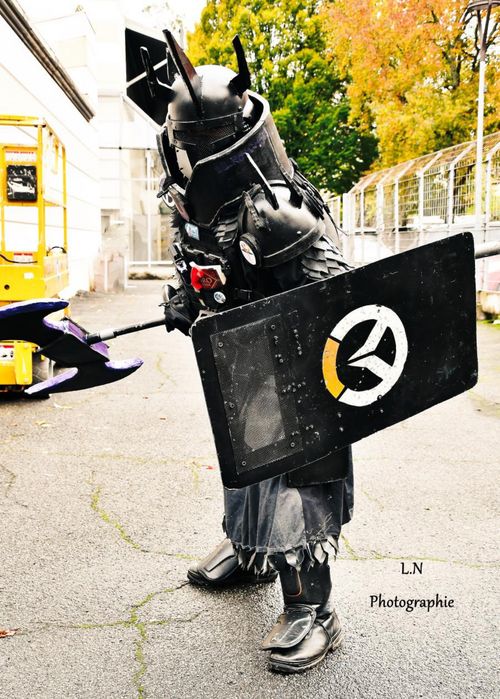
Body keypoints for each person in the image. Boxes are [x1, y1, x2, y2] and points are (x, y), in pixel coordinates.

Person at [147, 31, 354, 674]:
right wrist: (184, 296)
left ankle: (313, 608)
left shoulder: (280, 211)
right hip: (242, 361)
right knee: (243, 461)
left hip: (300, 372)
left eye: (195, 145)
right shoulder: (198, 200)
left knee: (300, 479)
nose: (186, 157)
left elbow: (335, 295)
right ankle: (250, 549)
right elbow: (196, 257)